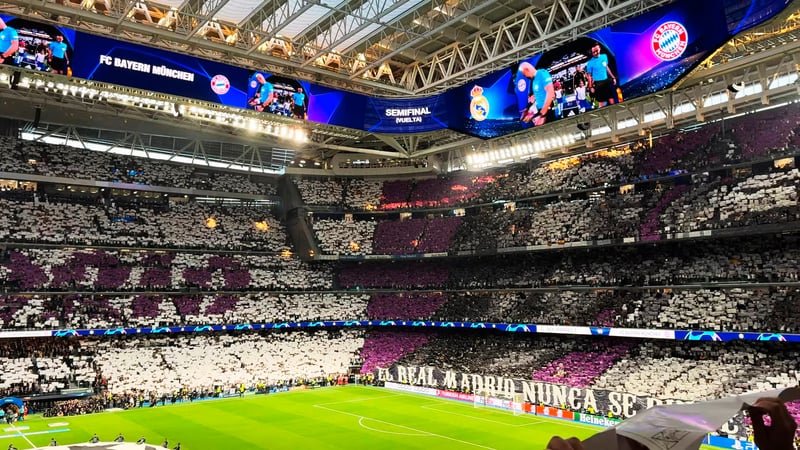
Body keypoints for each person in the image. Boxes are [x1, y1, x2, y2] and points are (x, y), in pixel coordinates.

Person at [518, 61, 555, 127]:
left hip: (547, 111)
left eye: (524, 74)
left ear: (527, 69)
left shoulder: (542, 73)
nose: (525, 76)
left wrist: (542, 114)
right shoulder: (534, 80)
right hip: (541, 111)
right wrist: (527, 108)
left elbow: (551, 93)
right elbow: (535, 96)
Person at [585, 43, 617, 108]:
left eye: (596, 51)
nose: (595, 53)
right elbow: (589, 76)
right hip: (598, 84)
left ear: (599, 49)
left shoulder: (604, 56)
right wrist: (590, 87)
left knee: (611, 100)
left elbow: (607, 67)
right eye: (593, 52)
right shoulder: (589, 63)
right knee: (601, 103)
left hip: (606, 81)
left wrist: (613, 77)